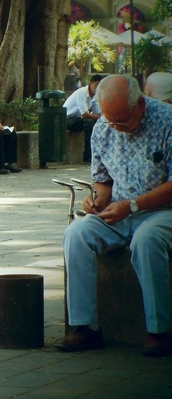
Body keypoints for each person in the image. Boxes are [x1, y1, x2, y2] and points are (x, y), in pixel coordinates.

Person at [56, 75, 172, 358]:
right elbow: (103, 180)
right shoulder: (103, 128)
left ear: (141, 105)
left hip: (161, 211)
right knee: (77, 234)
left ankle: (159, 331)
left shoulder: (167, 121)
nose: (118, 127)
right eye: (111, 121)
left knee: (146, 240)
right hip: (120, 210)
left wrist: (133, 205)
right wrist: (97, 201)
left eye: (123, 120)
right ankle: (85, 327)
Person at [63, 73, 103, 162]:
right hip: (66, 120)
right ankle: (87, 156)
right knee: (89, 123)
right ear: (90, 83)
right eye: (96, 84)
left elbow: (98, 113)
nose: (98, 87)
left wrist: (104, 119)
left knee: (102, 124)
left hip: (77, 120)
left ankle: (100, 154)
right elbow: (85, 114)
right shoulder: (82, 92)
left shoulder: (95, 96)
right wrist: (99, 118)